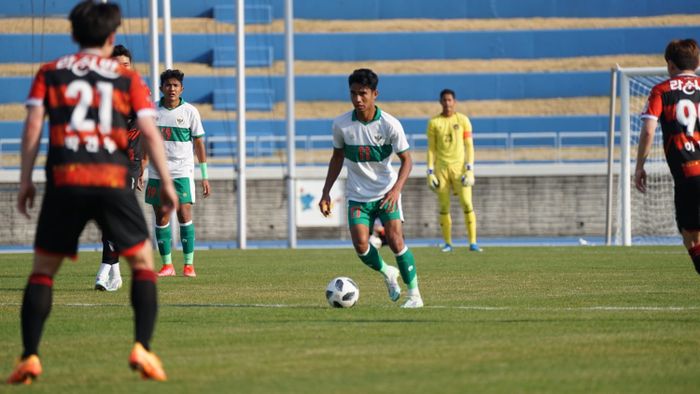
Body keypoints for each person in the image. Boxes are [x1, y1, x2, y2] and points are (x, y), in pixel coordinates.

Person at [7, 1, 177, 384]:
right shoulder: (127, 80)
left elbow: (33, 127)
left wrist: (25, 179)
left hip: (65, 178)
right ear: (112, 37)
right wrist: (165, 182)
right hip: (111, 178)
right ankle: (142, 347)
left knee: (43, 272)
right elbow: (150, 132)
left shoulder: (50, 73)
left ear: (73, 34)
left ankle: (30, 356)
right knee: (143, 264)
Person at [319, 68, 423, 308]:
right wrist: (326, 192)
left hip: (387, 192)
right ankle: (388, 272)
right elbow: (336, 158)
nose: (357, 99)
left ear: (375, 93)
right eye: (353, 93)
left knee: (396, 241)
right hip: (358, 196)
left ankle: (414, 295)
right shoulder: (341, 125)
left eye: (363, 93)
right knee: (361, 246)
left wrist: (396, 189)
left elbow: (407, 160)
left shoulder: (390, 125)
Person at [635, 38, 700, 273]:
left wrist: (639, 166)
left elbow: (649, 129)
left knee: (690, 237)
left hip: (688, 172)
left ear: (671, 66)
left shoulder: (661, 91)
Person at [145, 69, 211, 278]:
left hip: (182, 170)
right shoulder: (152, 110)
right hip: (157, 171)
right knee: (161, 216)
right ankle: (167, 266)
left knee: (184, 213)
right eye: (168, 85)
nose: (171, 88)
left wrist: (204, 174)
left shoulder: (190, 112)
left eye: (175, 85)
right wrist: (141, 167)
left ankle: (189, 265)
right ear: (161, 88)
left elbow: (199, 143)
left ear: (181, 88)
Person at [94, 44, 147, 292]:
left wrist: (144, 162)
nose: (121, 68)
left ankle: (103, 272)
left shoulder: (138, 89)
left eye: (125, 64)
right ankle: (115, 273)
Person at [426, 89, 481, 252]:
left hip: (459, 169)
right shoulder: (434, 122)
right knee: (444, 206)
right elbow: (431, 149)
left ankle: (473, 242)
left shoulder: (463, 120)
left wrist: (470, 169)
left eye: (450, 100)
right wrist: (429, 171)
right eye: (444, 100)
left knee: (467, 203)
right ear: (440, 102)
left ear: (454, 102)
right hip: (441, 168)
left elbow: (469, 146)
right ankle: (448, 243)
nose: (447, 103)